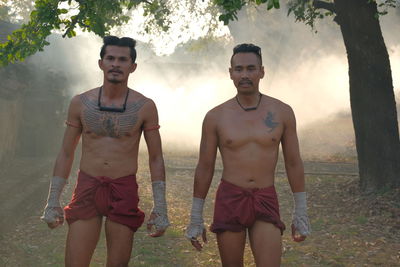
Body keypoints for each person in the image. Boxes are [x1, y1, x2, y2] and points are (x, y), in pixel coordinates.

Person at [41, 36, 169, 267]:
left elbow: (156, 158)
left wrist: (160, 207)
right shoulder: (81, 102)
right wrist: (52, 200)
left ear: (133, 66)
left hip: (123, 187)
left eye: (122, 60)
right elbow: (66, 152)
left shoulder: (145, 106)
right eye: (110, 58)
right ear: (101, 63)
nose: (115, 64)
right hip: (87, 186)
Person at [185, 43, 311, 266]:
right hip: (230, 197)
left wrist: (301, 210)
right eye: (239, 69)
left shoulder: (282, 112)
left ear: (262, 71)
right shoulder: (216, 116)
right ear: (231, 73)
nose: (245, 74)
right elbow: (205, 167)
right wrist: (196, 215)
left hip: (265, 196)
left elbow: (293, 163)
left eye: (251, 68)